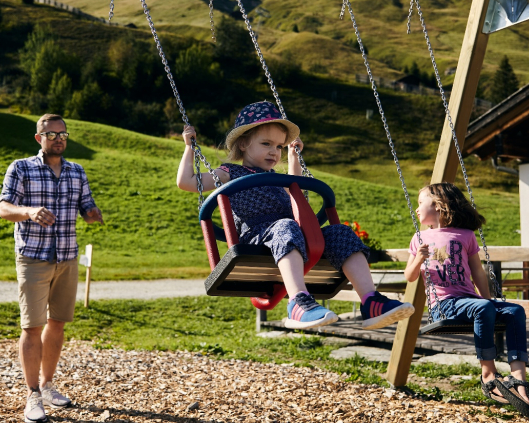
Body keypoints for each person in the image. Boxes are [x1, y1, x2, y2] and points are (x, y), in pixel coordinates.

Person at [176, 101, 414, 330]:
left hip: (291, 234)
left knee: (341, 232)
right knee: (286, 226)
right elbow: (186, 182)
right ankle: (298, 303)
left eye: (279, 147)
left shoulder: (277, 179)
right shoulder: (230, 172)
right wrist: (189, 147)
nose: (274, 152)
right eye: (267, 144)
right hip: (257, 238)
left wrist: (293, 159)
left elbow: (296, 192)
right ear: (244, 143)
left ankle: (371, 301)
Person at [0, 113, 104, 423]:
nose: (58, 139)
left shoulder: (76, 171)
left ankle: (46, 386)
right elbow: (4, 208)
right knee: (32, 326)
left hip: (67, 257)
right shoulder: (21, 168)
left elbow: (86, 206)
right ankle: (32, 395)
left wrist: (92, 213)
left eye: (63, 134)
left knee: (57, 323)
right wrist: (29, 212)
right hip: (33, 256)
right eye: (51, 134)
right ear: (39, 138)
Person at [404, 182, 529, 417]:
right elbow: (410, 276)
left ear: (438, 206)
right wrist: (418, 259)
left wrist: (489, 302)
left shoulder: (465, 235)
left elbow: (478, 272)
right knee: (482, 308)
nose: (416, 208)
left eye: (420, 202)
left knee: (515, 311)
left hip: (469, 301)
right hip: (443, 305)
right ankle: (488, 375)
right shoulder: (420, 238)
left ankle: (518, 379)